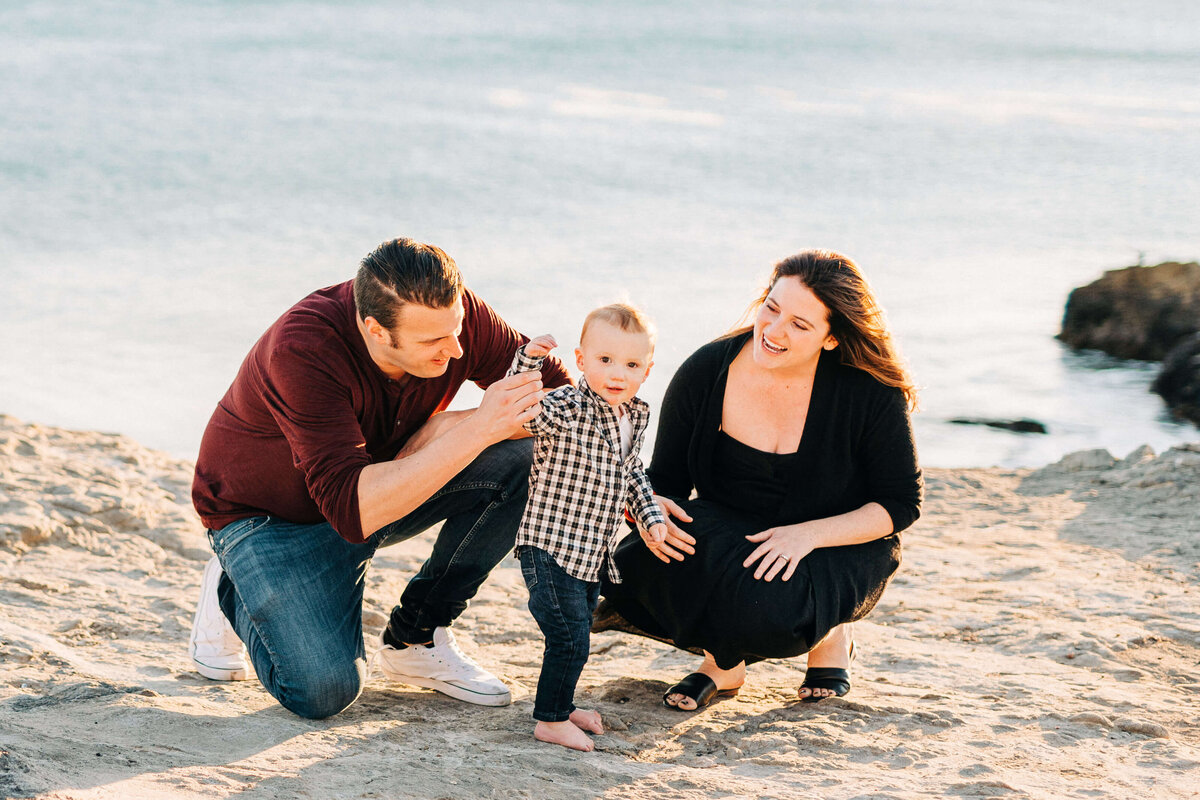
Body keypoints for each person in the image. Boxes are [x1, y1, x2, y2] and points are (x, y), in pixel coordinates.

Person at [188, 237, 570, 719]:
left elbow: (564, 402)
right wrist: (474, 426)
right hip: (269, 519)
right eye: (432, 342)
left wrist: (634, 490)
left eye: (456, 330)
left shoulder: (449, 315)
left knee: (530, 453)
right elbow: (353, 512)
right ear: (376, 330)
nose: (455, 349)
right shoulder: (303, 348)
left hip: (380, 488)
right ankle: (234, 582)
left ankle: (416, 638)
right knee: (322, 692)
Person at [596, 249, 922, 711]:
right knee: (637, 565)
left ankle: (831, 634)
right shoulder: (708, 370)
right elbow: (664, 480)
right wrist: (651, 513)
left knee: (771, 611)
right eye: (772, 308)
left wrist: (807, 536)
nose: (773, 331)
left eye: (800, 325)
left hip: (836, 541)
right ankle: (723, 666)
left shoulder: (868, 390)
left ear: (831, 339)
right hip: (735, 529)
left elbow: (900, 503)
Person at [508, 305, 668, 751]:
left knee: (578, 632)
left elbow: (631, 472)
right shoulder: (567, 407)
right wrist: (528, 363)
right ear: (580, 359)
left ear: (647, 370)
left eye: (632, 364)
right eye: (605, 360)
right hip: (550, 546)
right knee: (569, 636)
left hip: (591, 554)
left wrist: (650, 517)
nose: (618, 373)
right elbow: (526, 416)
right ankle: (550, 719)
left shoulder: (631, 417)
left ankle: (561, 702)